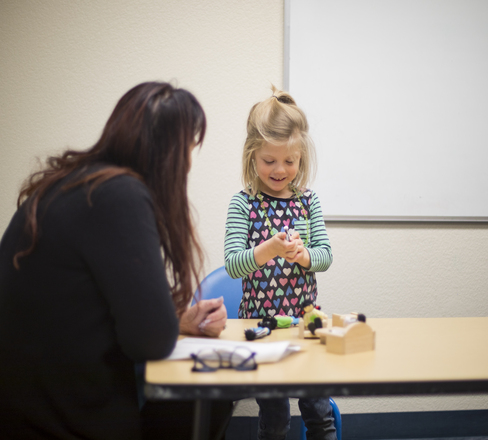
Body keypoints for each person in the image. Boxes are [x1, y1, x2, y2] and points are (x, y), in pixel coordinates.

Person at [0, 82, 228, 440]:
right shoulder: (119, 195)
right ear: (170, 154)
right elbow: (150, 341)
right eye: (187, 150)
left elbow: (87, 309)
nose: (187, 165)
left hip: (25, 408)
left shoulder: (70, 185)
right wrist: (170, 324)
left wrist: (178, 319)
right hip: (64, 420)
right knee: (212, 395)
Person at [224, 86, 336, 440]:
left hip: (305, 323)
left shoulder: (308, 202)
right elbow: (232, 264)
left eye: (289, 161)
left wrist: (305, 256)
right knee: (274, 421)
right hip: (262, 327)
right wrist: (268, 249)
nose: (279, 170)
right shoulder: (243, 204)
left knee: (319, 412)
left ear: (301, 158)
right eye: (269, 161)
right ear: (251, 157)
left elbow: (326, 256)